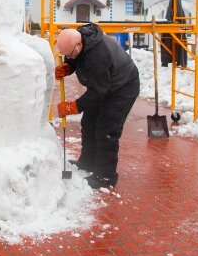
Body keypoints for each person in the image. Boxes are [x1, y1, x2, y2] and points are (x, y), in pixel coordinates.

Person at [54, 24, 140, 189]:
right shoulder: (80, 40)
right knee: (89, 123)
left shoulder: (98, 55)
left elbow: (97, 92)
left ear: (78, 45)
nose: (68, 57)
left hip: (122, 87)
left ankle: (105, 177)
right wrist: (68, 66)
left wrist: (74, 107)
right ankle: (88, 162)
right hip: (105, 85)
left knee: (107, 129)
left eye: (68, 55)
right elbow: (76, 57)